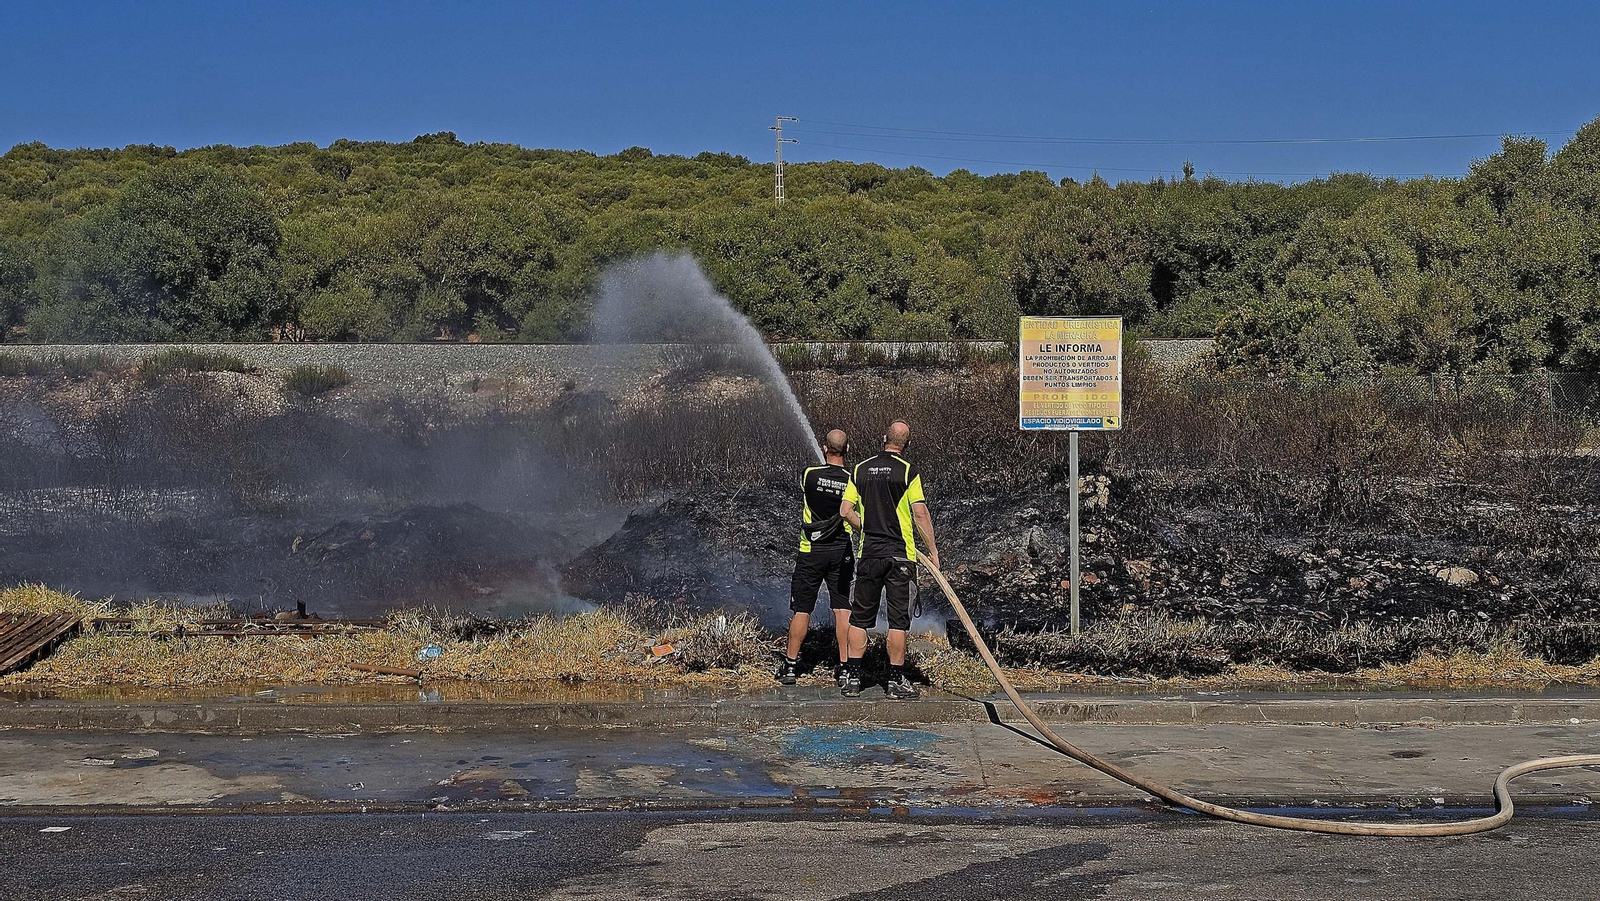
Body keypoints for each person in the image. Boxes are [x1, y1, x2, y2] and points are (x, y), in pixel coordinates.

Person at [838, 420, 939, 700]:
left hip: (869, 554)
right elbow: (920, 514)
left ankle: (853, 679)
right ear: (907, 444)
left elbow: (845, 510)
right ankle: (895, 682)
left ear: (884, 438)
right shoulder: (908, 472)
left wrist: (866, 528)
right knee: (898, 622)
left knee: (859, 619)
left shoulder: (860, 469)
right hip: (900, 557)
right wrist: (933, 551)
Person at [774, 429, 856, 686]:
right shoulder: (853, 480)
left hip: (811, 550)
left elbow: (808, 490)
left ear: (823, 448)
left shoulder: (809, 475)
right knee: (843, 610)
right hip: (841, 551)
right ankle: (845, 668)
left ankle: (790, 667)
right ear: (848, 449)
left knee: (802, 609)